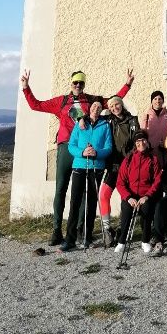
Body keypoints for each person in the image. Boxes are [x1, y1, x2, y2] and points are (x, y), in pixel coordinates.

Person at [19, 67, 133, 245]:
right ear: (71, 83)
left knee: (85, 193)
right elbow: (36, 105)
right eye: (75, 82)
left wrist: (127, 84)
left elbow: (113, 101)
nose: (78, 85)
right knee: (61, 188)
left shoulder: (92, 100)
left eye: (81, 82)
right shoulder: (61, 101)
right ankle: (57, 230)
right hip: (66, 147)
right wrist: (26, 87)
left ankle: (81, 229)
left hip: (87, 151)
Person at [61, 101, 113, 252]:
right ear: (89, 109)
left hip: (96, 167)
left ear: (102, 110)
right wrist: (82, 152)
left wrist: (97, 153)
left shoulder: (105, 125)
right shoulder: (80, 124)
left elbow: (108, 147)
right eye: (94, 106)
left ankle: (87, 237)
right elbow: (71, 145)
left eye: (99, 107)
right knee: (75, 203)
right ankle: (69, 239)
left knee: (91, 204)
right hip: (80, 166)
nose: (96, 109)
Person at [98, 96, 140, 244]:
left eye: (117, 104)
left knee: (126, 198)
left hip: (127, 166)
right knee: (103, 195)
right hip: (112, 166)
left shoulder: (132, 120)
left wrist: (128, 160)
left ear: (121, 104)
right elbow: (92, 114)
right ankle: (107, 230)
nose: (115, 107)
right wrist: (81, 119)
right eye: (111, 106)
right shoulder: (107, 120)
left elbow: (136, 143)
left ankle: (124, 228)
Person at [115, 130, 162, 255]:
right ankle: (122, 241)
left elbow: (157, 180)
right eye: (138, 141)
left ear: (147, 141)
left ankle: (145, 240)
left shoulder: (153, 159)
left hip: (146, 195)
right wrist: (128, 197)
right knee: (126, 210)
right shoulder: (128, 159)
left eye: (143, 140)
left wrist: (147, 196)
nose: (141, 143)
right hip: (130, 195)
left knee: (146, 210)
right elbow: (120, 182)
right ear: (135, 144)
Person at [138, 91, 167, 167]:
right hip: (151, 152)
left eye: (160, 99)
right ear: (152, 101)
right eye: (155, 99)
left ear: (163, 101)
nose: (158, 101)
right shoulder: (146, 116)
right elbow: (142, 134)